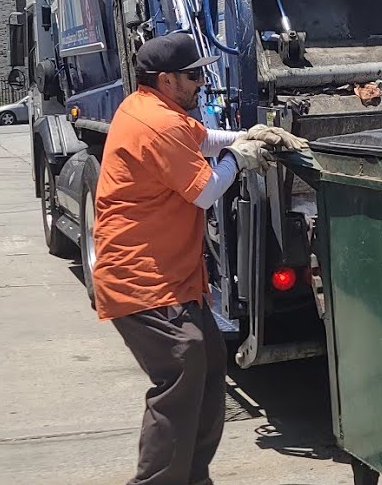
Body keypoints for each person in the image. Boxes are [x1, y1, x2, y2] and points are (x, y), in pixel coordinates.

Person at [91, 33, 306, 485]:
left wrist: (249, 136)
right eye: (193, 76)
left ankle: (192, 477)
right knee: (182, 365)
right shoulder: (157, 123)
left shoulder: (158, 110)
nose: (200, 82)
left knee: (207, 363)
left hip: (173, 275)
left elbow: (204, 138)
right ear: (166, 80)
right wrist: (240, 157)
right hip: (141, 278)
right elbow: (207, 190)